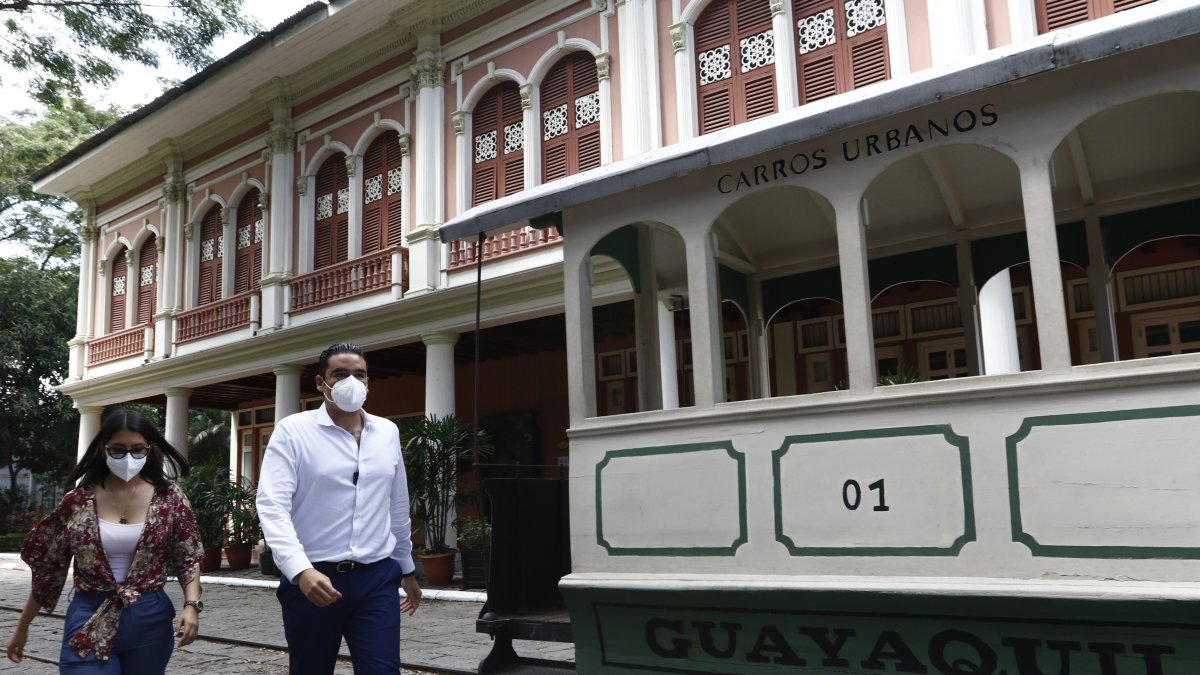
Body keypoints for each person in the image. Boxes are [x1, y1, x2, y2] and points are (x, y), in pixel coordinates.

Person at [257, 342, 422, 674]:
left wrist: (406, 568)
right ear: (321, 383)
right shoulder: (294, 431)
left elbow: (397, 504)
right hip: (315, 579)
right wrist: (300, 570)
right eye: (341, 374)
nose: (352, 381)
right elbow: (272, 505)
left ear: (368, 382)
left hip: (376, 578)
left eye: (359, 375)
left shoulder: (386, 432)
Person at [5, 408, 204, 673]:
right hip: (89, 612)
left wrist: (191, 606)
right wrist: (23, 627)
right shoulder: (77, 502)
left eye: (138, 450)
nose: (128, 457)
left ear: (149, 450)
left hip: (149, 616)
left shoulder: (170, 498)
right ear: (103, 449)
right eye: (118, 449)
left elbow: (188, 556)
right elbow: (49, 570)